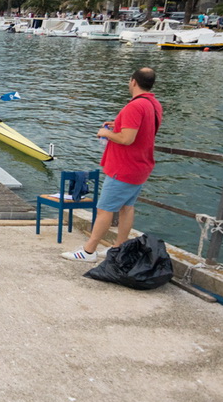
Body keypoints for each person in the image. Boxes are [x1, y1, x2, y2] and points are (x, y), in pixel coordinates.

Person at [63, 67, 163, 262]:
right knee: (127, 207)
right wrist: (117, 124)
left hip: (124, 167)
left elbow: (127, 138)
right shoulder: (153, 104)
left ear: (133, 81)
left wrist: (105, 133)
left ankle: (88, 251)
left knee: (104, 209)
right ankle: (118, 247)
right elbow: (141, 129)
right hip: (141, 165)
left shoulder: (134, 106)